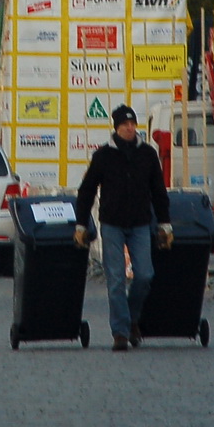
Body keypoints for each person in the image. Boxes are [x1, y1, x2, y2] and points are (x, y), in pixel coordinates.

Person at [74, 104, 171, 352]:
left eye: (132, 124)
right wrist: (81, 223)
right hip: (112, 225)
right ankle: (120, 332)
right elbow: (86, 191)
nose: (129, 128)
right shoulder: (103, 156)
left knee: (145, 275)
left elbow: (159, 192)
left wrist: (165, 224)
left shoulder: (148, 154)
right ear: (116, 128)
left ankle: (132, 318)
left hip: (140, 223)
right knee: (116, 279)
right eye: (124, 124)